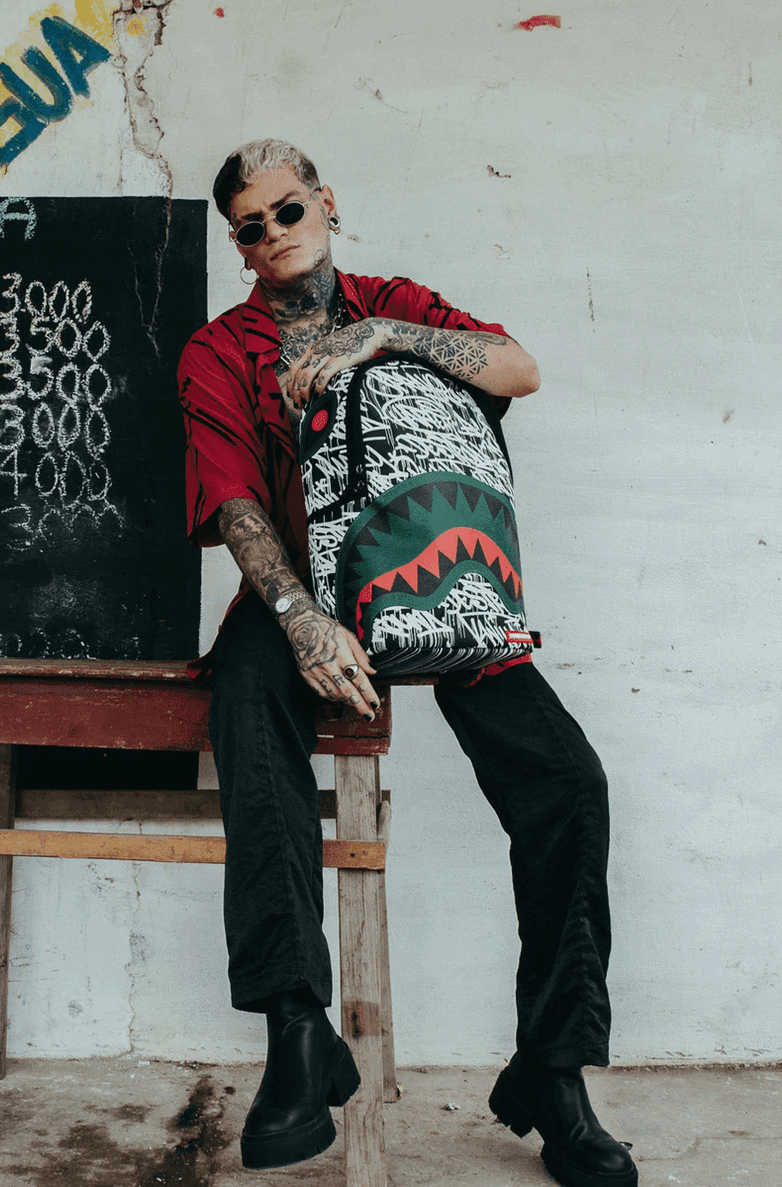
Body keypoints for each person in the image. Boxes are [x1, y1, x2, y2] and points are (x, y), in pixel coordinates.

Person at [177, 138, 638, 1187]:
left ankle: (554, 1069)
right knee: (245, 704)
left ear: (325, 203)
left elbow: (518, 367)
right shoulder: (218, 350)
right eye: (249, 226)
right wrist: (300, 618)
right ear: (237, 245)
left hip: (431, 579)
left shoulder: (392, 302)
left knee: (568, 782)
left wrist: (380, 337)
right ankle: (298, 1031)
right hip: (299, 595)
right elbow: (235, 499)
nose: (272, 234)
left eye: (287, 210)